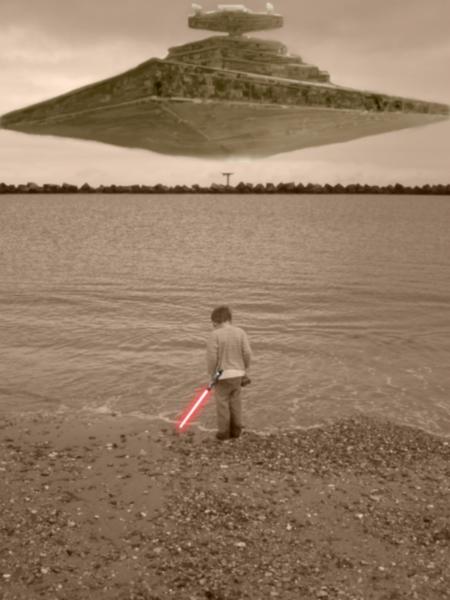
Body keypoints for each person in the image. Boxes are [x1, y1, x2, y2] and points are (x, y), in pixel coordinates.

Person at [206, 305, 252, 440]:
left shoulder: (214, 335)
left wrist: (212, 375)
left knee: (222, 403)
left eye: (213, 323)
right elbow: (247, 353)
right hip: (238, 372)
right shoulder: (240, 332)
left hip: (222, 374)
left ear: (215, 321)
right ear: (229, 319)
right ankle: (236, 431)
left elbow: (212, 358)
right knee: (236, 402)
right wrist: (244, 369)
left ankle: (224, 433)